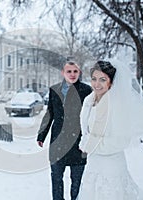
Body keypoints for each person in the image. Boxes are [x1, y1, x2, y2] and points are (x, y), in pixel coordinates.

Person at [77, 60, 143, 200]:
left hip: (111, 166)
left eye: (102, 80)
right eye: (94, 79)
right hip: (94, 163)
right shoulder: (89, 101)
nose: (97, 84)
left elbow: (121, 141)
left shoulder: (117, 105)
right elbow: (87, 130)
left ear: (111, 82)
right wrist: (86, 141)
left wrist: (90, 144)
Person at [37, 61, 92, 200]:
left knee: (77, 182)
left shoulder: (87, 90)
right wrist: (41, 135)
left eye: (75, 71)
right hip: (58, 143)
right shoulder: (54, 90)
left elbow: (92, 116)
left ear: (79, 73)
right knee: (56, 180)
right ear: (63, 73)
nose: (72, 74)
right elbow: (50, 113)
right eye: (69, 71)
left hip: (78, 143)